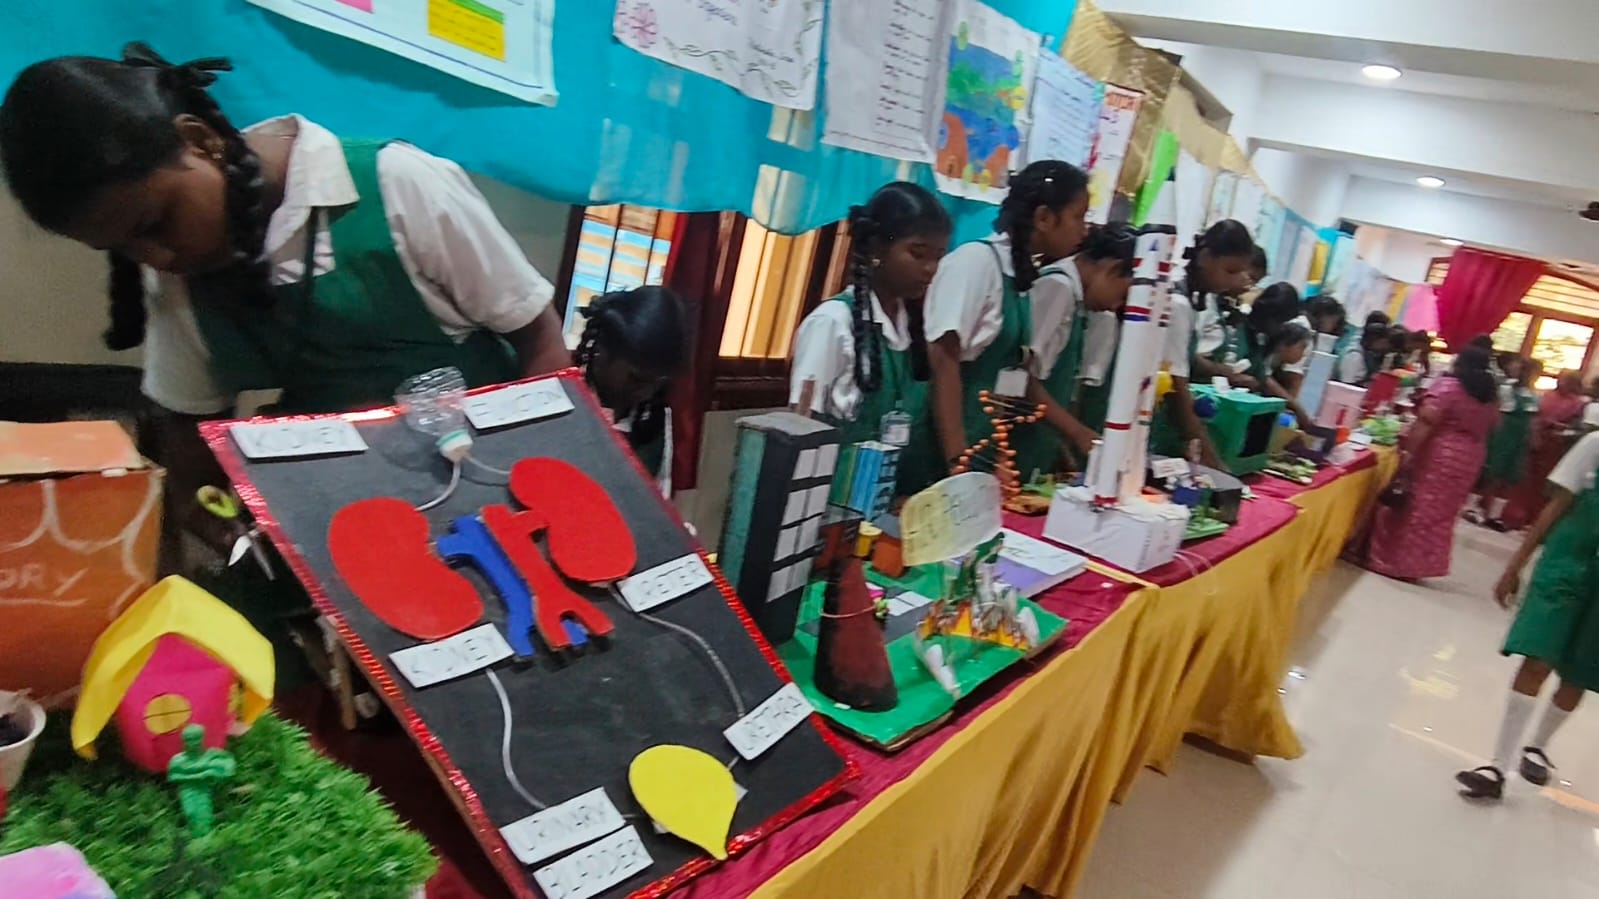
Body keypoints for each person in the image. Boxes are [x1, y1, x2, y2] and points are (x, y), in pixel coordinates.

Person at [0, 44, 571, 567]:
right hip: (350, 531)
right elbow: (190, 441)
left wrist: (530, 493)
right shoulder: (177, 280)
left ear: (200, 140)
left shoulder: (397, 186)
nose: (156, 256)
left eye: (157, 222)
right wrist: (232, 533)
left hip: (487, 499)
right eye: (122, 249)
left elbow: (540, 342)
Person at [923, 160, 1091, 484]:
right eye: (1078, 217)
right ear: (1044, 218)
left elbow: (1015, 376)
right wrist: (958, 463)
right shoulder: (976, 263)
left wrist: (998, 459)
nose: (1084, 230)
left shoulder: (1019, 279)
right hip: (941, 455)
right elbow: (944, 361)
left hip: (981, 451)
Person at [1456, 428, 1599, 800]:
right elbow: (1555, 508)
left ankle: (1537, 746)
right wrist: (1514, 566)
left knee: (1578, 675)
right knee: (1536, 658)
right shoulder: (1594, 446)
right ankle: (1498, 766)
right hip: (1566, 566)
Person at [789, 182, 951, 491]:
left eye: (938, 257)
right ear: (877, 249)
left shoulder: (912, 326)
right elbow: (802, 431)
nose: (931, 269)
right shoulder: (833, 323)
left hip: (896, 500)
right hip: (835, 503)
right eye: (918, 254)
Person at [1358, 344, 1500, 581]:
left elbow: (1426, 421)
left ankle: (1392, 561)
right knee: (1441, 513)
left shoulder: (1449, 387)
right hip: (1470, 457)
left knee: (1416, 506)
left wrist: (1408, 453)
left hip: (1440, 455)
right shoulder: (1490, 397)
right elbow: (1494, 427)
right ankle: (1420, 565)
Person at [1160, 220, 1261, 467]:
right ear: (1205, 257)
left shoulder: (1193, 298)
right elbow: (1176, 388)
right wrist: (1213, 463)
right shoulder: (1177, 303)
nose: (1235, 280)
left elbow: (1182, 358)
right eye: (1230, 271)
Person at [577, 286, 689, 497]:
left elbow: (658, 499)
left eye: (657, 383)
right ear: (601, 353)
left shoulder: (653, 418)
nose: (647, 392)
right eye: (636, 379)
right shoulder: (566, 398)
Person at [1500, 371, 1591, 530]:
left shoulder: (1579, 404)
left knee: (1544, 485)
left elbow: (1577, 427)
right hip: (1536, 438)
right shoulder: (1547, 395)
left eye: (1565, 381)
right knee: (1525, 480)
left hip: (1555, 445)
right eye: (1560, 379)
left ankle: (1534, 520)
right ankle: (1513, 516)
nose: (1561, 383)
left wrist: (1558, 427)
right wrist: (1534, 434)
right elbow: (1535, 416)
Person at [1467, 357, 1541, 530]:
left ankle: (1495, 513)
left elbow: (1532, 419)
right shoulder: (1507, 388)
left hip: (1520, 437)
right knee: (1494, 472)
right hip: (1504, 432)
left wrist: (1534, 437)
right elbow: (1499, 412)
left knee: (1510, 476)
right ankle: (1480, 508)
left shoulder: (1533, 394)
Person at [1336, 320, 1394, 386]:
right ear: (1374, 339)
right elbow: (1346, 385)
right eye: (1383, 343)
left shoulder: (1367, 352)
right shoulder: (1354, 355)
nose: (1385, 346)